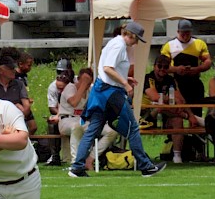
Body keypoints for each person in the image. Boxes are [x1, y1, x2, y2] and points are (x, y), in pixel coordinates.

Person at [68, 21, 166, 178]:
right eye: (136, 39)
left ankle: (77, 167)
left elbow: (107, 70)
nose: (135, 43)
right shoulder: (119, 45)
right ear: (130, 35)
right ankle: (146, 167)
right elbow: (108, 68)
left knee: (93, 129)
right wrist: (125, 83)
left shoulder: (115, 43)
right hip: (111, 93)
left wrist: (125, 78)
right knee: (132, 128)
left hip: (102, 92)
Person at [142, 55, 199, 164]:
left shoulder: (170, 79)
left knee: (177, 120)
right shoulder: (148, 78)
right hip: (146, 115)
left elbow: (181, 100)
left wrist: (191, 115)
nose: (162, 69)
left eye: (166, 67)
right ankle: (188, 116)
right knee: (159, 105)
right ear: (154, 66)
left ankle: (177, 156)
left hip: (164, 114)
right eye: (160, 66)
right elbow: (155, 97)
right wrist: (171, 99)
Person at [58, 68, 117, 169]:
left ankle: (90, 159)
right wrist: (83, 84)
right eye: (84, 80)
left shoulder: (91, 90)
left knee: (111, 132)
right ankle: (75, 163)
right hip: (66, 120)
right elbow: (74, 102)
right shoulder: (70, 87)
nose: (87, 85)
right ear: (79, 78)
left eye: (89, 82)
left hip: (83, 121)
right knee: (77, 126)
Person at [160, 19, 212, 116]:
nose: (185, 36)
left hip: (194, 83)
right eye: (182, 33)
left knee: (196, 112)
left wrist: (197, 69)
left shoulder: (199, 43)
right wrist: (176, 69)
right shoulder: (169, 45)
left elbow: (208, 61)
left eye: (187, 33)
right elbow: (162, 67)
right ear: (178, 32)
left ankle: (195, 129)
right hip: (176, 84)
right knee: (176, 112)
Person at [0, 56, 35, 135]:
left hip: (18, 120)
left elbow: (26, 106)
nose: (14, 71)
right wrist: (14, 106)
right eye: (11, 68)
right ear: (1, 71)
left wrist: (17, 116)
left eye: (14, 68)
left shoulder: (19, 84)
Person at [45, 58, 73, 165]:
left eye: (64, 72)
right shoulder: (53, 86)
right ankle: (55, 155)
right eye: (59, 72)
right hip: (62, 114)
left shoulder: (76, 83)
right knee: (52, 124)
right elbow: (52, 107)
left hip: (77, 114)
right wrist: (60, 115)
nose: (62, 75)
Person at [15, 52, 38, 135]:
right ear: (20, 64)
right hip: (18, 105)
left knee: (33, 127)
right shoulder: (14, 76)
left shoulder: (24, 76)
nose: (30, 68)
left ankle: (27, 141)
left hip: (25, 104)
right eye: (29, 65)